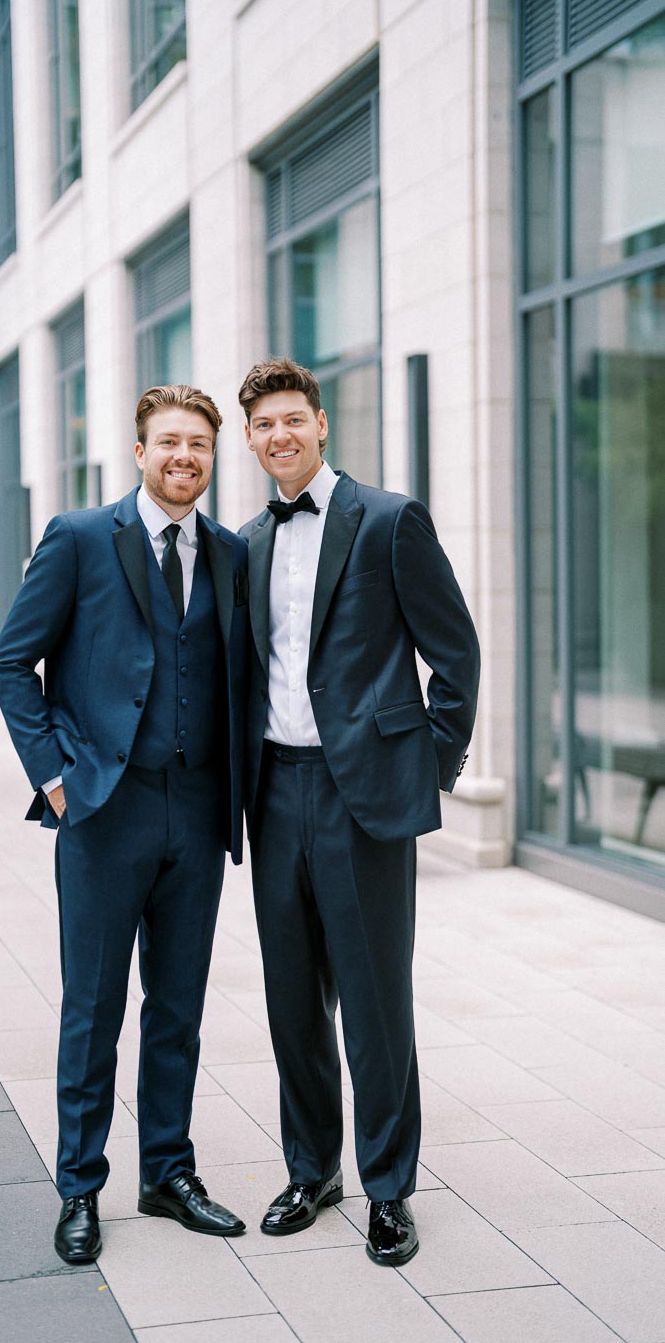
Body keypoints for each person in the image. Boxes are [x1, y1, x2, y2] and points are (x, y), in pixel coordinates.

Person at [0, 384, 249, 1263]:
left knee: (177, 1008)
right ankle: (79, 1187)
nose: (185, 458)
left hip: (199, 809)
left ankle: (167, 1172)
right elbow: (10, 662)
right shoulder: (78, 538)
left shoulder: (227, 552)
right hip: (104, 809)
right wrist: (56, 778)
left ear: (214, 458)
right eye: (170, 443)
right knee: (92, 1008)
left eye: (200, 446)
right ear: (139, 451)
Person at [239, 357, 480, 1265]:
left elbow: (455, 654)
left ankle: (389, 1187)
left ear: (321, 423)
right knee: (291, 996)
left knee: (376, 1000)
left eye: (292, 419)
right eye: (264, 426)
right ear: (253, 440)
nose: (280, 437)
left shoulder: (388, 520)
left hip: (363, 796)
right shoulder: (246, 540)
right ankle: (312, 1171)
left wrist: (428, 767)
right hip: (273, 790)